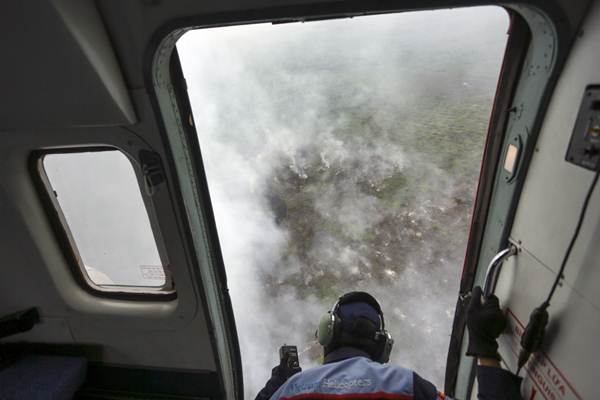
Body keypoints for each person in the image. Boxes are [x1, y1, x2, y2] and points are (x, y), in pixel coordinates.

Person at [255, 288, 522, 400]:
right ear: (382, 346)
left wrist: (272, 390)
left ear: (328, 332)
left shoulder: (291, 391)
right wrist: (484, 344)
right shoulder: (406, 385)